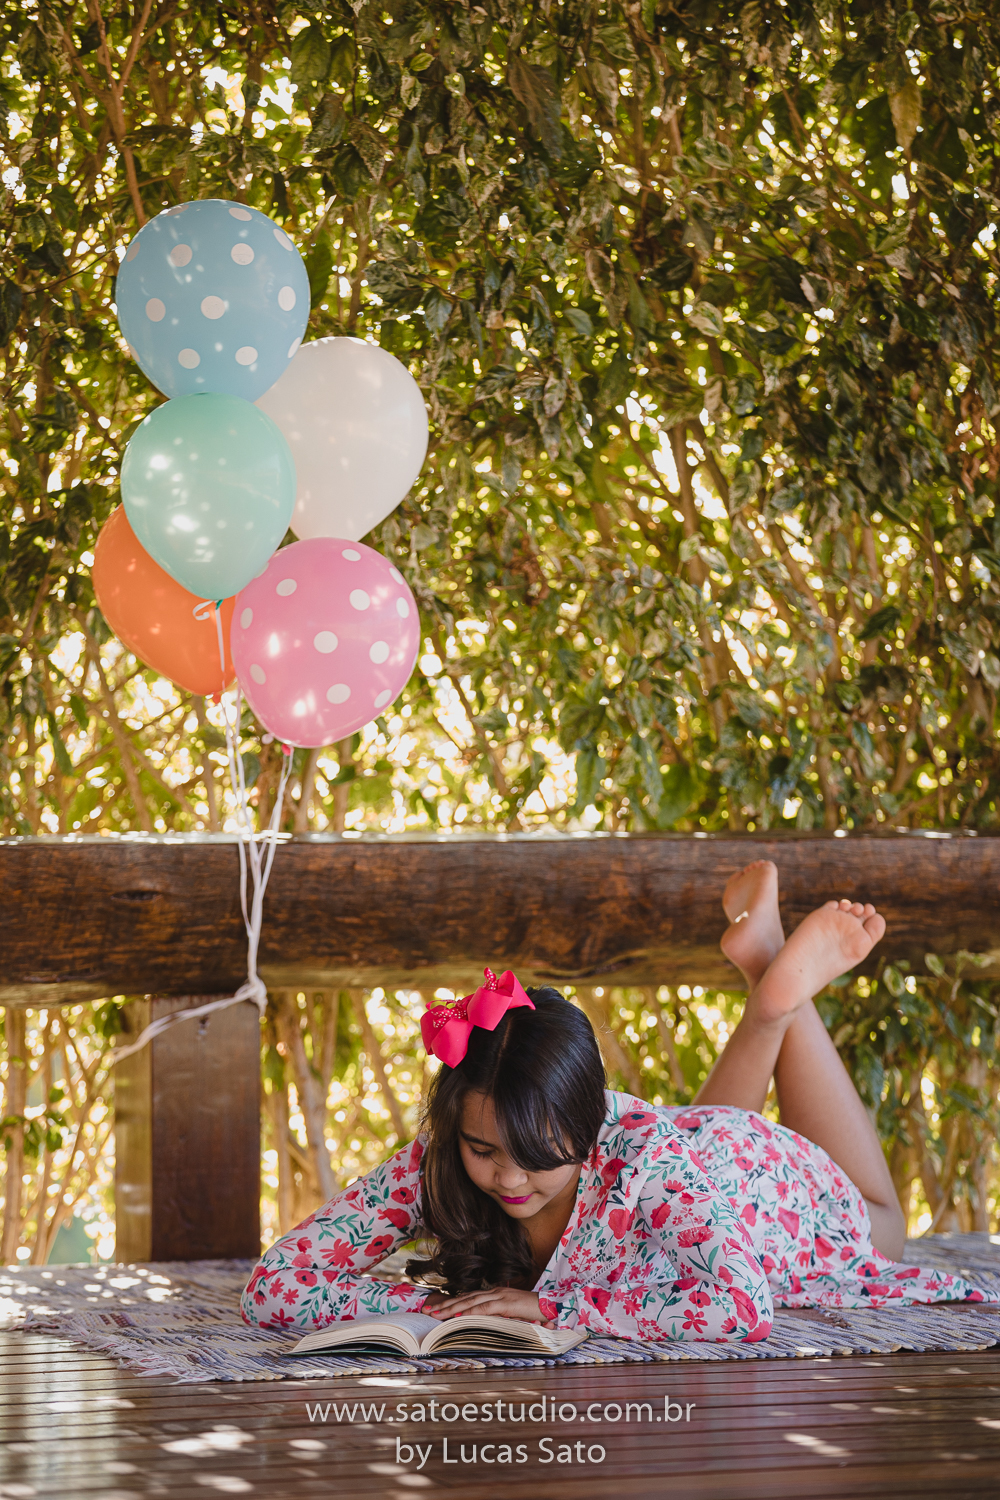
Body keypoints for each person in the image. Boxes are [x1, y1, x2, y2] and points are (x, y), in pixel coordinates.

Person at [241, 862, 991, 1342]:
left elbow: (741, 1307)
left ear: (589, 1118)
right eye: (482, 1150)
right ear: (454, 1127)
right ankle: (765, 973)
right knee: (666, 1168)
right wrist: (426, 1315)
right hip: (686, 1158)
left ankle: (775, 996)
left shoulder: (639, 1154)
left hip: (760, 1187)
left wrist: (555, 1309)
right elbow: (275, 1286)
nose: (507, 1178)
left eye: (537, 1154)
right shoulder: (438, 1159)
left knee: (883, 1228)